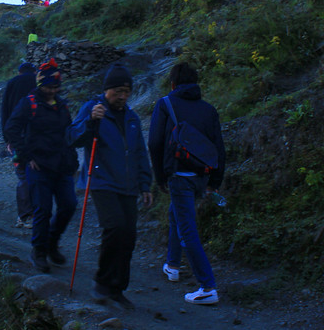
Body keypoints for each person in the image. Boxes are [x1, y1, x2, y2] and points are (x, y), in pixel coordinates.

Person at [68, 64, 153, 309]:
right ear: (107, 90)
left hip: (128, 184)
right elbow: (72, 137)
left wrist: (145, 184)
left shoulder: (132, 117)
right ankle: (102, 282)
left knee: (129, 235)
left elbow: (139, 152)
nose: (123, 95)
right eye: (118, 90)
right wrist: (90, 123)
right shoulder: (93, 109)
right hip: (101, 180)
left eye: (126, 91)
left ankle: (117, 288)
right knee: (115, 227)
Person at [147, 61, 226, 305]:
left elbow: (155, 144)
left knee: (187, 229)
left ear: (172, 84)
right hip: (201, 177)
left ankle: (207, 286)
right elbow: (219, 149)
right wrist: (215, 181)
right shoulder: (208, 109)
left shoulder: (165, 104)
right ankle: (172, 264)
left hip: (178, 177)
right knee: (177, 216)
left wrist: (160, 178)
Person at [3, 59, 77, 273]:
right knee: (42, 209)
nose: (52, 91)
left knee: (69, 205)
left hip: (62, 165)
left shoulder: (62, 105)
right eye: (48, 87)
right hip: (39, 166)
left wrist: (73, 161)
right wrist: (25, 156)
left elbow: (68, 134)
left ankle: (52, 243)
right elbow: (11, 128)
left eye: (55, 87)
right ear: (39, 84)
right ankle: (39, 251)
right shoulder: (29, 103)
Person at [1, 61, 37, 227]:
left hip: (17, 138)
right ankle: (37, 213)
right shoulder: (38, 82)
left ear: (19, 71)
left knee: (22, 175)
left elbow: (5, 112)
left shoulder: (12, 83)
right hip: (37, 138)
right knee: (37, 173)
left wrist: (7, 139)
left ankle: (24, 216)